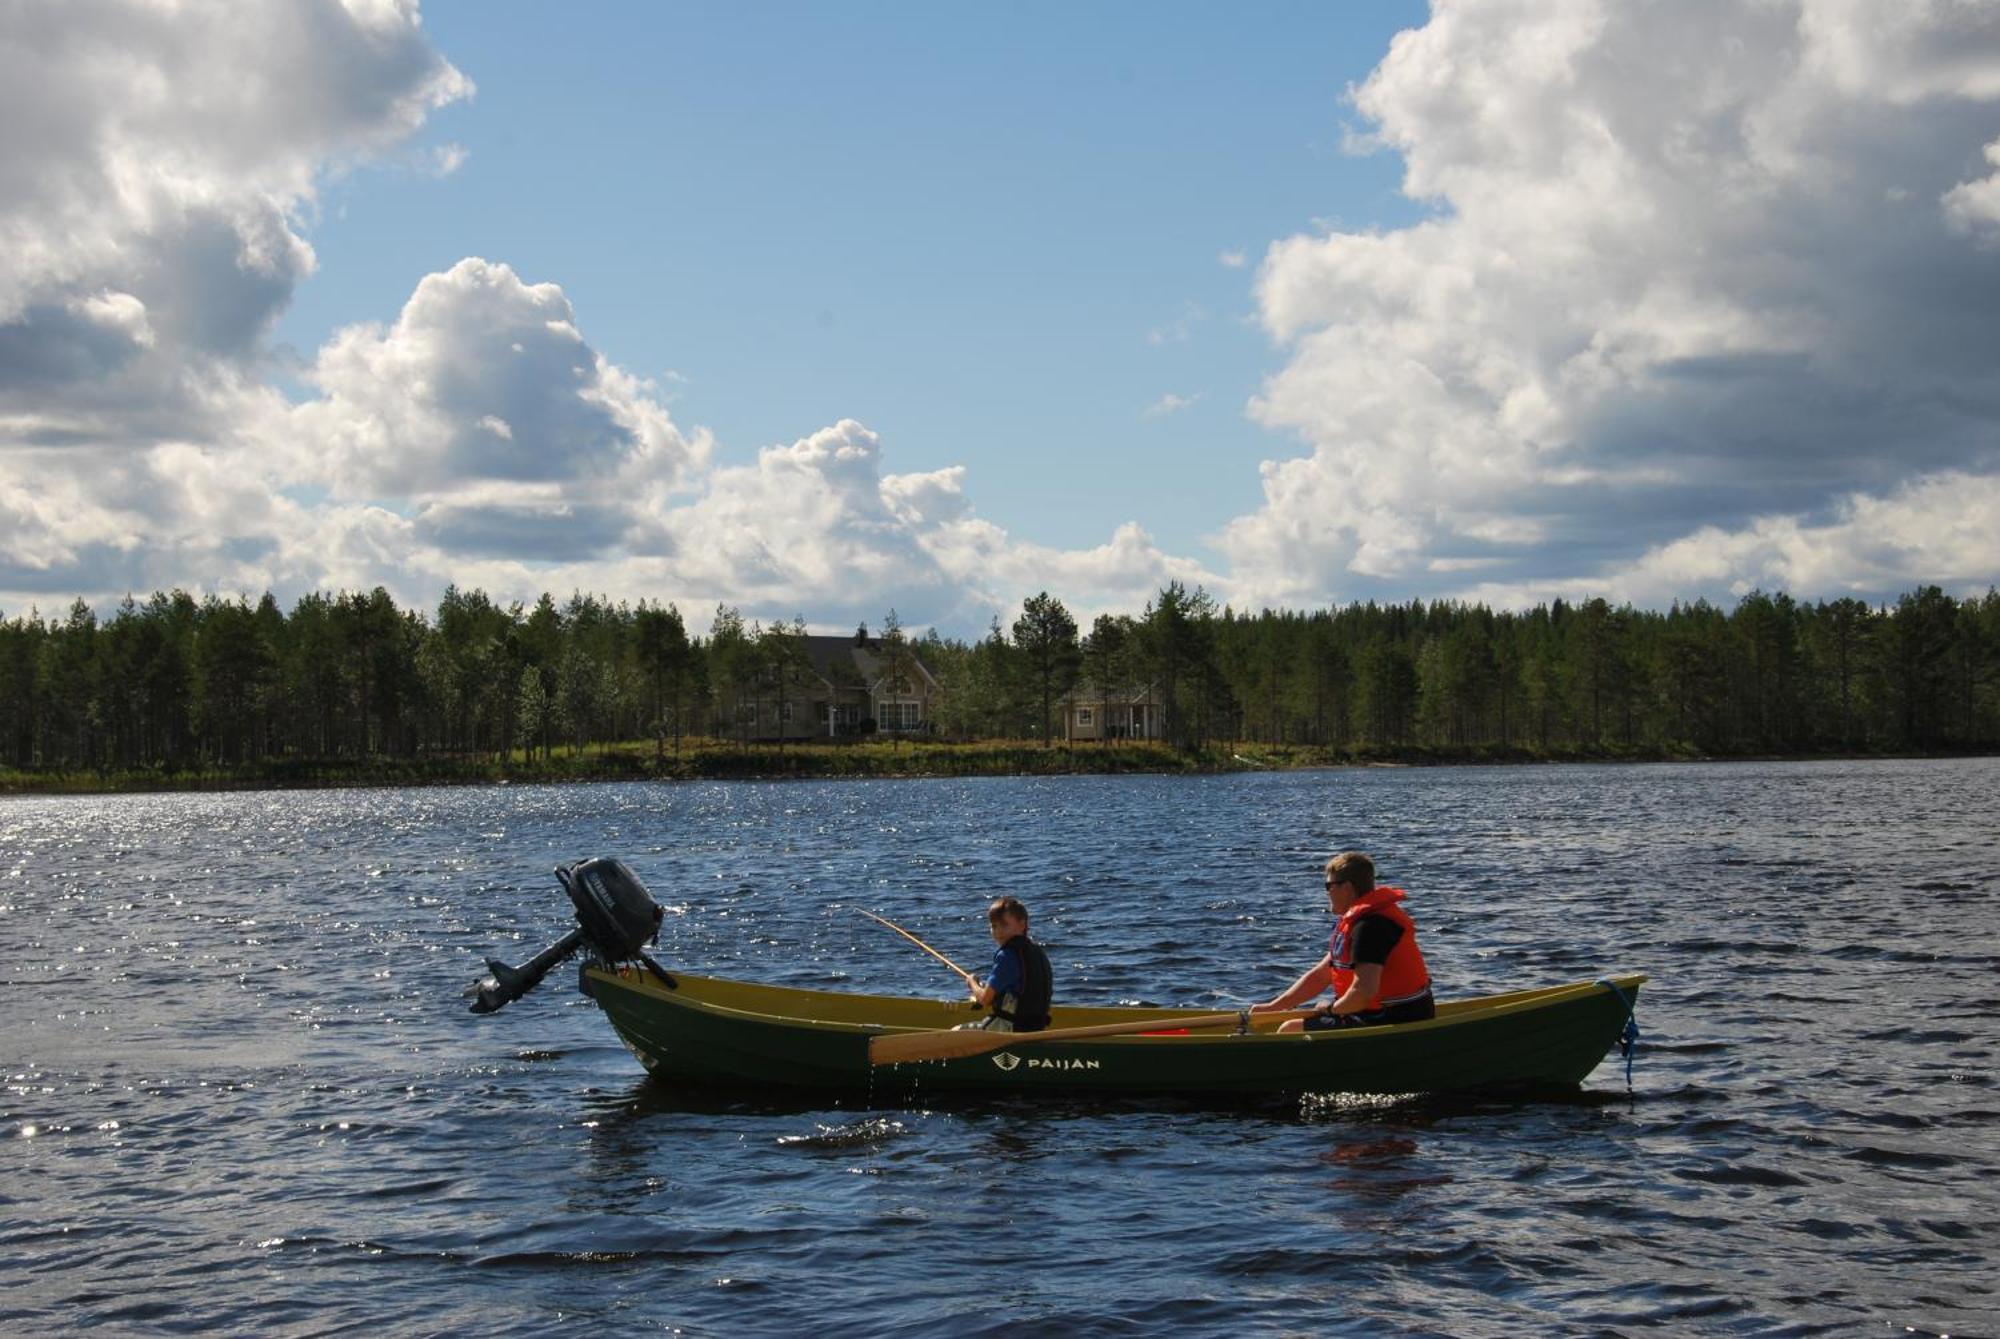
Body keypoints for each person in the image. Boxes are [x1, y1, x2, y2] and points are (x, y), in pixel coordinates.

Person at [1250, 851, 1434, 1033]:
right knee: (1294, 1021)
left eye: (1328, 886)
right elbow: (1321, 976)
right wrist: (1274, 1007)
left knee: (1290, 1029)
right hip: (1372, 1012)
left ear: (1346, 887)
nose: (1327, 892)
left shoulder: (1371, 927)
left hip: (1395, 1018)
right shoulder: (1354, 922)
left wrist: (1330, 1009)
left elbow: (1364, 992)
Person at [957, 896, 1052, 1033]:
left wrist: (972, 983)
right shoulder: (1038, 952)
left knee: (954, 1032)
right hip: (1035, 1028)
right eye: (994, 926)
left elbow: (984, 999)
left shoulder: (1007, 956)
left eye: (1004, 925)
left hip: (1009, 1028)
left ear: (1022, 924)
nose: (998, 931)